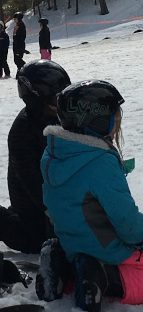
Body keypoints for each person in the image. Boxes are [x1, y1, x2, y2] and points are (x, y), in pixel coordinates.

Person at [38, 80, 143, 311]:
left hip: (72, 243)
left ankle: (63, 268)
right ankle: (104, 277)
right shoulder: (100, 161)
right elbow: (124, 217)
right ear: (98, 120)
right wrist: (142, 242)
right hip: (105, 248)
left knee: (82, 265)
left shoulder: (54, 154)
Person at [0, 60, 71, 254]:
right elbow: (32, 183)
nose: (61, 104)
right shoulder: (22, 132)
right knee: (39, 243)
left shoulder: (63, 117)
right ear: (37, 98)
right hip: (33, 205)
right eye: (55, 100)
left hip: (55, 196)